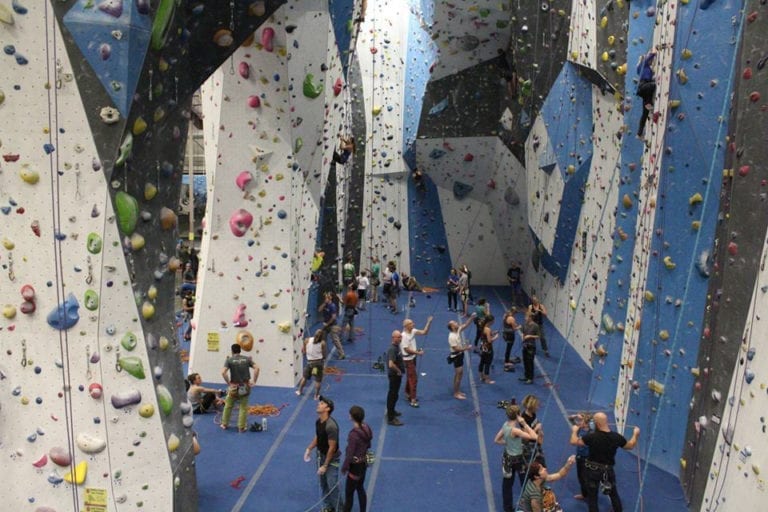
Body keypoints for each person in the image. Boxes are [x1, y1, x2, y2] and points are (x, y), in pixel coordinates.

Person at [570, 411, 640, 512]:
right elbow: (630, 445)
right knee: (613, 494)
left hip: (593, 471)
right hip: (608, 470)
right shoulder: (616, 437)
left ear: (596, 424)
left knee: (593, 498)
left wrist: (574, 431)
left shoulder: (591, 437)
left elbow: (573, 441)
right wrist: (635, 434)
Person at [494, 404, 539, 512]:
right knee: (525, 482)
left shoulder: (505, 425)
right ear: (518, 415)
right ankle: (529, 505)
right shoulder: (516, 430)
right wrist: (524, 423)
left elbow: (496, 440)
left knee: (507, 484)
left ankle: (507, 508)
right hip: (518, 460)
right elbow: (534, 437)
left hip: (507, 459)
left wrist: (509, 443)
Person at [304, 396, 342, 512]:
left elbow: (332, 448)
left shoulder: (331, 426)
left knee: (332, 486)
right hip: (320, 456)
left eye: (322, 403)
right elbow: (318, 436)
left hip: (331, 459)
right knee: (323, 484)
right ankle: (327, 507)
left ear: (327, 409)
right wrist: (309, 448)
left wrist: (325, 465)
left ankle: (339, 509)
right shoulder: (318, 421)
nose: (318, 404)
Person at [220, 343, 260, 432]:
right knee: (243, 407)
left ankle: (224, 424)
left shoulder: (229, 360)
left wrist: (229, 383)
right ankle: (241, 427)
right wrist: (254, 381)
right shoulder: (247, 359)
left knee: (228, 405)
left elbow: (223, 372)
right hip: (245, 386)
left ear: (232, 351)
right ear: (240, 350)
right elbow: (257, 368)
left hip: (234, 387)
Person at [341, 405, 373, 512]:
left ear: (352, 417)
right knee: (360, 488)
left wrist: (344, 467)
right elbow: (369, 443)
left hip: (355, 466)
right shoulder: (366, 427)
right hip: (363, 463)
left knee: (349, 494)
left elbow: (350, 454)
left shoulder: (353, 435)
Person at [401, 316, 433, 407]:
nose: (413, 324)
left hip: (413, 358)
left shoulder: (413, 331)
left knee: (410, 376)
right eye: (411, 323)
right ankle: (413, 399)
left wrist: (428, 322)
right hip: (408, 360)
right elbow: (406, 349)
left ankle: (407, 392)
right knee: (413, 379)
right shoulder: (403, 336)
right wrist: (418, 353)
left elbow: (424, 332)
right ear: (406, 326)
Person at [447, 314, 475, 399]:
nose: (457, 323)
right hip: (456, 356)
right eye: (455, 323)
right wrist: (467, 348)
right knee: (459, 374)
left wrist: (471, 317)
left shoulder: (457, 330)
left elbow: (465, 325)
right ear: (452, 327)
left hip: (460, 355)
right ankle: (456, 393)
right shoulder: (451, 337)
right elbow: (456, 349)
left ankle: (457, 390)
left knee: (459, 374)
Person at [296, 329, 327, 400]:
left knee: (305, 377)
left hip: (310, 363)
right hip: (318, 363)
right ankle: (316, 395)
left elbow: (304, 352)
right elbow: (324, 354)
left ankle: (299, 391)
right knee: (318, 380)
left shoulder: (307, 340)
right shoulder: (323, 343)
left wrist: (305, 350)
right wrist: (323, 358)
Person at [570, 412, 593, 501]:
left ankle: (590, 496)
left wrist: (574, 432)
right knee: (580, 477)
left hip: (587, 458)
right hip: (580, 456)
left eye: (581, 421)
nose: (579, 422)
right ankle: (584, 494)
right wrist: (575, 416)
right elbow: (570, 419)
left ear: (586, 423)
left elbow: (573, 442)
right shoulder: (580, 429)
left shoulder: (591, 433)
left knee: (586, 478)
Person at [636, 51, 657, 137]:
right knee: (653, 85)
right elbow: (647, 59)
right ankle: (649, 103)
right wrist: (653, 53)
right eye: (651, 61)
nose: (651, 62)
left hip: (644, 90)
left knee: (645, 113)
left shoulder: (645, 68)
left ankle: (639, 133)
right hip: (644, 86)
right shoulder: (642, 65)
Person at [386, 330, 405, 426]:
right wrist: (398, 371)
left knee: (395, 395)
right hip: (394, 376)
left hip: (396, 375)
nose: (401, 338)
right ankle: (391, 418)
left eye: (401, 336)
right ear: (393, 338)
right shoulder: (392, 349)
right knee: (392, 395)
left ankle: (391, 410)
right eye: (399, 337)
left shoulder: (397, 347)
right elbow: (391, 364)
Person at [520, 394, 546, 467]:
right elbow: (525, 437)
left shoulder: (533, 414)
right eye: (537, 406)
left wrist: (540, 432)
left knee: (541, 464)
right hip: (528, 446)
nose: (538, 407)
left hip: (536, 442)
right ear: (532, 407)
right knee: (532, 466)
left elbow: (535, 423)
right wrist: (536, 429)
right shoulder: (524, 418)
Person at [319, 291, 345, 359]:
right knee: (323, 339)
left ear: (330, 298)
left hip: (332, 325)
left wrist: (327, 324)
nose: (326, 298)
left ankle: (342, 354)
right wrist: (324, 303)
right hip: (326, 325)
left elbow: (333, 317)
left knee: (335, 340)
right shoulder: (325, 304)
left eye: (327, 296)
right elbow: (319, 310)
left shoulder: (332, 306)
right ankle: (323, 354)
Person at [520, 309, 539, 384]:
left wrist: (530, 336)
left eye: (526, 317)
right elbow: (522, 332)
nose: (525, 318)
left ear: (530, 317)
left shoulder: (535, 326)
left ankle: (530, 378)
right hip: (525, 345)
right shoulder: (524, 324)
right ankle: (526, 376)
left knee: (530, 362)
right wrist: (523, 336)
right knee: (525, 361)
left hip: (531, 346)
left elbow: (538, 336)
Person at [478, 314, 499, 384]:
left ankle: (481, 376)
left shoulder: (482, 326)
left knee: (482, 361)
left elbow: (485, 335)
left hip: (482, 347)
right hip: (488, 348)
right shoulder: (488, 329)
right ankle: (487, 379)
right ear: (490, 321)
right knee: (487, 363)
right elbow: (489, 340)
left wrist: (492, 333)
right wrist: (495, 337)